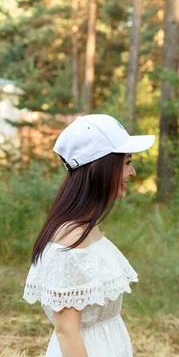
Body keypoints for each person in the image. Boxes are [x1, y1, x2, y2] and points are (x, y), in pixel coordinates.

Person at [23, 114, 155, 357]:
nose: (133, 172)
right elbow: (67, 331)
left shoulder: (85, 228)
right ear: (100, 167)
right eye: (126, 162)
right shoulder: (71, 240)